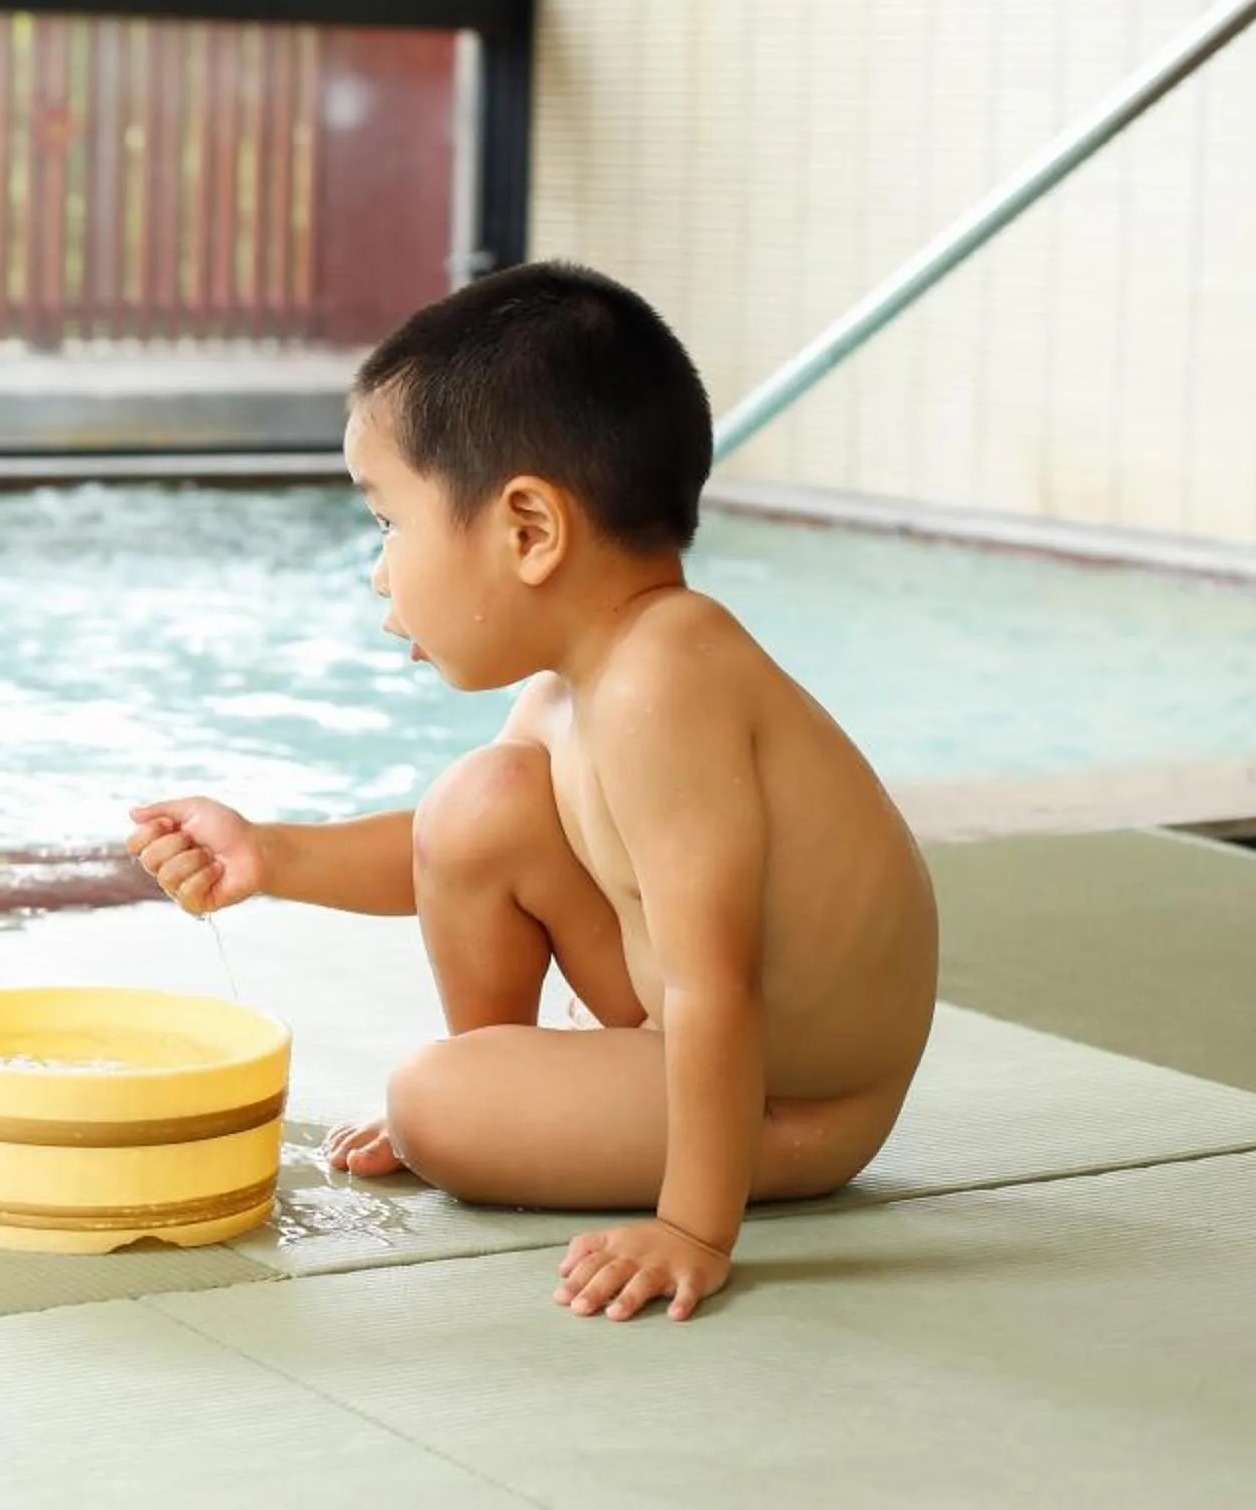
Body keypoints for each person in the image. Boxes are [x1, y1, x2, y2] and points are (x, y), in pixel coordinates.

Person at [127, 260, 938, 1322]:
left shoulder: (668, 676)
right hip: (701, 1044)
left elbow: (715, 980)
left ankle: (493, 1106)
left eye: (389, 525)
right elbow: (442, 850)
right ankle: (508, 1091)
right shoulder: (579, 683)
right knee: (483, 799)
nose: (380, 571)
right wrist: (271, 854)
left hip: (796, 1105)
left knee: (432, 1097)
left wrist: (694, 1224)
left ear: (528, 529)